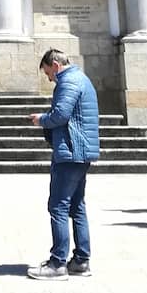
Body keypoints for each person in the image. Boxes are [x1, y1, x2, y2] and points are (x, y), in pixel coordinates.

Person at [26, 48, 99, 280]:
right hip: (81, 151)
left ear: (56, 65)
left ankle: (57, 263)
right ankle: (81, 261)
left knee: (58, 206)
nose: (50, 79)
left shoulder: (68, 82)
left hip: (70, 150)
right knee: (77, 206)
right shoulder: (81, 79)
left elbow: (61, 115)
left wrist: (41, 119)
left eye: (49, 73)